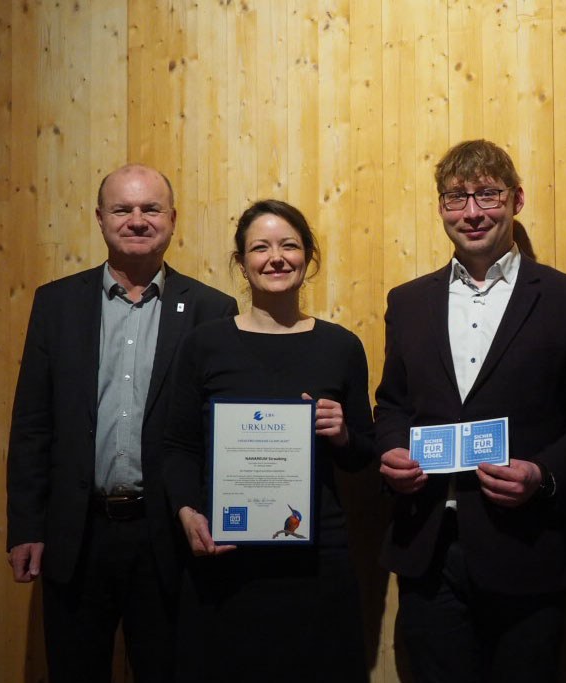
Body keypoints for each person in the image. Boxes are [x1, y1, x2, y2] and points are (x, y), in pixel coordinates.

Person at [376, 139, 566, 683]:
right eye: (456, 198)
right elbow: (391, 405)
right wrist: (392, 451)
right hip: (429, 550)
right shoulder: (406, 302)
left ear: (517, 199)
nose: (472, 212)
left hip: (527, 549)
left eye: (487, 194)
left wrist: (543, 475)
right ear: (440, 207)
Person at [5, 163, 238, 682]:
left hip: (168, 541)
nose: (137, 220)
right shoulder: (56, 304)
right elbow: (33, 424)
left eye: (150, 209)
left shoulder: (212, 309)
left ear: (172, 219)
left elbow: (216, 431)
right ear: (100, 219)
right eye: (123, 209)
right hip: (75, 535)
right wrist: (26, 527)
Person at [162, 199, 374, 682]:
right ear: (242, 262)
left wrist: (343, 434)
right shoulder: (204, 344)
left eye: (289, 246)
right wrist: (187, 510)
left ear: (308, 257)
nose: (275, 258)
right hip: (227, 559)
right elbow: (179, 446)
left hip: (317, 562)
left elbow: (366, 453)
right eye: (260, 247)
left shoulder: (341, 345)